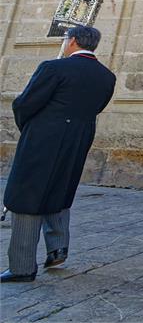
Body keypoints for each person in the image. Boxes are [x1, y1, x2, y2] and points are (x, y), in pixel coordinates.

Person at [1, 26, 115, 283]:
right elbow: (96, 108)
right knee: (60, 190)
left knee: (26, 195)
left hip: (43, 140)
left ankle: (21, 266)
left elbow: (25, 104)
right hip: (78, 141)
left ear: (72, 41)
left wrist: (30, 128)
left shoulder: (53, 68)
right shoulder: (107, 76)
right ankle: (58, 247)